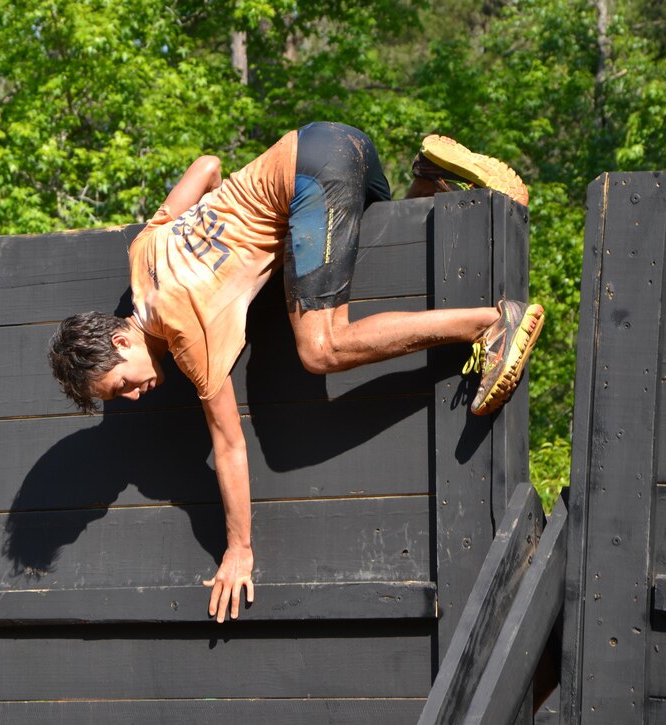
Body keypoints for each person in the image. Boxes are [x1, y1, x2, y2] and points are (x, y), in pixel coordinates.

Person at [47, 122, 544, 624]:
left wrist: (239, 550)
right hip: (330, 142)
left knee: (320, 348)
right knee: (374, 243)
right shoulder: (143, 252)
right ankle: (430, 179)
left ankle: (492, 322)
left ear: (121, 340)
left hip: (310, 180)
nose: (134, 396)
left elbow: (229, 445)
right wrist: (229, 234)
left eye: (122, 384)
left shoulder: (186, 335)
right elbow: (207, 166)